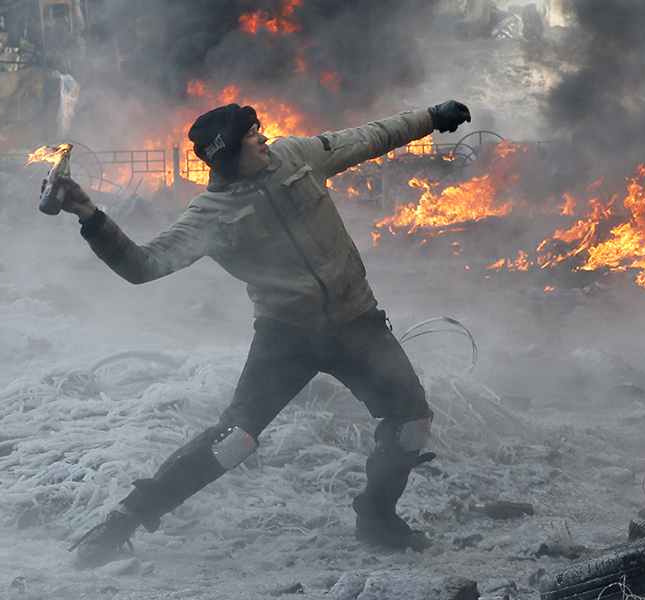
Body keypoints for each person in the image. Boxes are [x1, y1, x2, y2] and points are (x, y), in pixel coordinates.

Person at [59, 100, 472, 567]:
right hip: (286, 336)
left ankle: (377, 517)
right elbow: (142, 266)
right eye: (251, 135)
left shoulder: (298, 156)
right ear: (227, 155)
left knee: (412, 420)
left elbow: (371, 135)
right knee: (234, 440)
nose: (263, 137)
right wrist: (90, 217)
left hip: (357, 322)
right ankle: (125, 520)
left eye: (259, 128)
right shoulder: (209, 214)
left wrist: (433, 117)